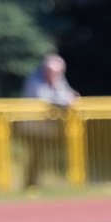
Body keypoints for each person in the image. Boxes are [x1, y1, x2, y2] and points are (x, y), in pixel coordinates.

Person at [20, 54, 79, 189]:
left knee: (43, 157)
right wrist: (65, 102)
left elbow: (68, 95)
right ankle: (31, 184)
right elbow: (43, 99)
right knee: (35, 156)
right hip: (32, 127)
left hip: (48, 128)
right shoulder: (34, 80)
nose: (54, 74)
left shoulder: (59, 80)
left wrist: (68, 99)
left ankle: (38, 183)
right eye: (51, 71)